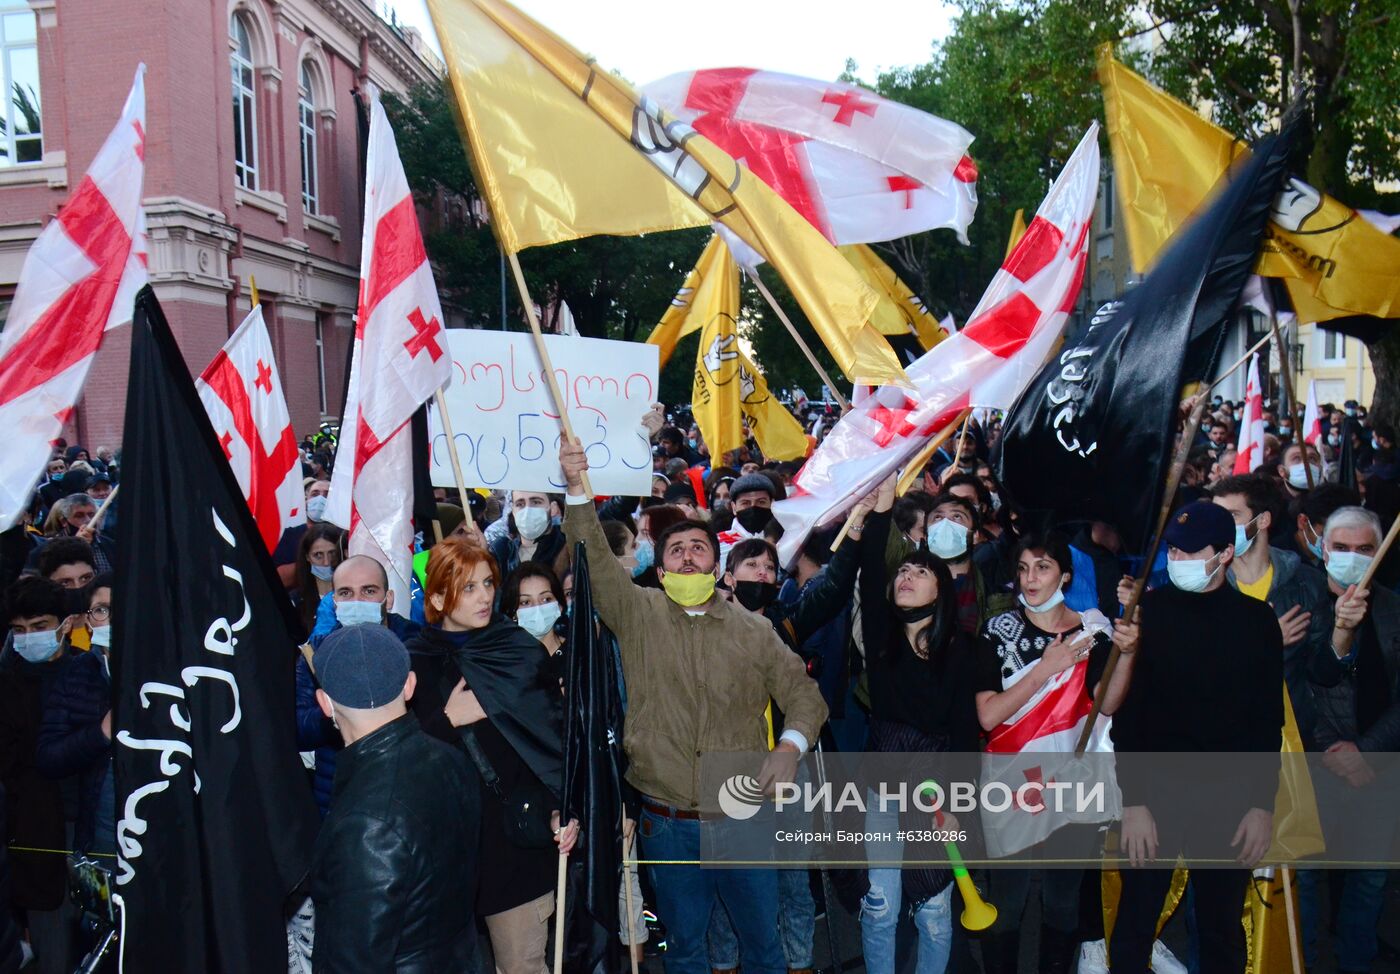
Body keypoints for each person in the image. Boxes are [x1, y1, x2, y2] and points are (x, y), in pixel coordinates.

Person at [560, 438, 827, 974]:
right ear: (658, 571)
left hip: (745, 816)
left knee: (763, 947)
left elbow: (806, 698)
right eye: (675, 549)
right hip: (669, 822)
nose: (687, 554)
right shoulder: (637, 614)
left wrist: (789, 747)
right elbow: (591, 554)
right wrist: (575, 490)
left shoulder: (756, 631)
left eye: (698, 548)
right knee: (683, 950)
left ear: (717, 563)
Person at [1110, 501, 1283, 974]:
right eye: (1173, 549)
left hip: (1228, 801)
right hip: (1156, 794)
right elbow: (1127, 720)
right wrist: (1135, 802)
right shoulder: (1147, 614)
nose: (1178, 559)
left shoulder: (1256, 622)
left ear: (1226, 553)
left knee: (1221, 928)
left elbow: (1267, 723)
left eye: (1191, 551)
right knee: (1135, 925)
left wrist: (1261, 805)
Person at [405, 539, 578, 974]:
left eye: (488, 583)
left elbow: (551, 739)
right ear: (439, 596)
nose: (484, 596)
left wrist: (561, 807)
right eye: (468, 588)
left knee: (521, 966)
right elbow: (398, 760)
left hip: (514, 843)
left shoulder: (516, 650)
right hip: (443, 847)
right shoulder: (413, 662)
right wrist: (449, 719)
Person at [973, 533, 1137, 974]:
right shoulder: (996, 630)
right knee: (1008, 900)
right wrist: (1046, 668)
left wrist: (1128, 653)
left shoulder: (1093, 632)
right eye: (1023, 568)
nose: (1030, 578)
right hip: (1011, 784)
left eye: (1042, 567)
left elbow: (1108, 702)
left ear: (1065, 575)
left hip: (1072, 782)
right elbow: (988, 717)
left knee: (1062, 902)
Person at [850, 474, 978, 974]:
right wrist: (883, 507)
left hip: (939, 794)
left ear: (940, 589)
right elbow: (868, 567)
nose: (907, 576)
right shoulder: (882, 640)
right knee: (880, 909)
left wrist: (960, 804)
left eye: (920, 572)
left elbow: (967, 732)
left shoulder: (962, 651)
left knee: (935, 913)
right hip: (881, 791)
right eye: (903, 571)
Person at [306, 624, 480, 971]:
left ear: (325, 704)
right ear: (409, 685)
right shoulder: (452, 759)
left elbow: (353, 961)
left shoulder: (366, 824)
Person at [1300, 505, 1398, 973]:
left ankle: (1357, 962)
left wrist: (1368, 751)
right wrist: (1330, 752)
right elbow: (1298, 687)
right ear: (1322, 548)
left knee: (1369, 882)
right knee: (1305, 882)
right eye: (1342, 548)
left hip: (1380, 768)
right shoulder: (1298, 601)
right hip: (1312, 770)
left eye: (1365, 549)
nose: (1353, 558)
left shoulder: (1396, 610)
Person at [1210, 474, 1329, 747]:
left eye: (1231, 516)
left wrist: (1344, 632)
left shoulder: (1307, 582)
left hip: (1299, 738)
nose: (1219, 526)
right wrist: (1266, 641)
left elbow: (1324, 673)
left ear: (1262, 521)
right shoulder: (1203, 588)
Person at [295, 554, 408, 819]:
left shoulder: (414, 643)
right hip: (338, 795)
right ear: (334, 602)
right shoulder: (315, 653)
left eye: (369, 591)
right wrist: (338, 714)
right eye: (346, 593)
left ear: (388, 598)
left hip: (407, 788)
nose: (357, 601)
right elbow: (298, 729)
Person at [0, 576, 73, 973]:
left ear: (64, 624)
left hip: (92, 830)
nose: (28, 637)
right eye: (19, 630)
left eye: (39, 626)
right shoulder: (6, 685)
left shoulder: (88, 673)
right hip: (37, 841)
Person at [36, 575, 116, 857]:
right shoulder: (76, 673)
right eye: (102, 610)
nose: (111, 618)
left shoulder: (177, 671)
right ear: (88, 619)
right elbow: (49, 758)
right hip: (102, 837)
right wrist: (101, 733)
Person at [489, 490, 569, 579]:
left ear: (553, 508)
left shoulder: (568, 547)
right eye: (520, 504)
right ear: (513, 511)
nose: (527, 511)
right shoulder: (502, 553)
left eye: (536, 502)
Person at [500, 563, 567, 656]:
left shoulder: (579, 655)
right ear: (513, 612)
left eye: (546, 599)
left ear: (559, 605)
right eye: (526, 602)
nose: (537, 608)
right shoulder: (504, 661)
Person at [294, 523, 345, 637]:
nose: (326, 562)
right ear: (307, 557)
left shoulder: (353, 596)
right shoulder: (296, 601)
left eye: (332, 553)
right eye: (318, 555)